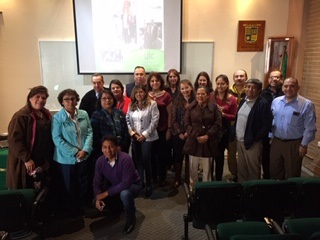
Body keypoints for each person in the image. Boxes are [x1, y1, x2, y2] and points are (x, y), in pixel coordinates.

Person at [52, 89, 93, 218]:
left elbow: (90, 132)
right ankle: (72, 211)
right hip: (66, 159)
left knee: (83, 184)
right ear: (62, 102)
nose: (70, 101)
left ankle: (82, 207)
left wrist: (85, 149)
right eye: (67, 99)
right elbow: (57, 138)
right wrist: (75, 152)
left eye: (73, 98)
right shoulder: (57, 118)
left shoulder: (83, 113)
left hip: (84, 155)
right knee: (70, 186)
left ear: (76, 100)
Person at [6, 86, 54, 190]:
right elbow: (14, 140)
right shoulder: (21, 116)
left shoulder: (45, 115)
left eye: (43, 98)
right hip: (27, 162)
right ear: (30, 98)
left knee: (41, 190)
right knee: (28, 190)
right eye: (37, 97)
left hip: (41, 161)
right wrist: (27, 159)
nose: (41, 100)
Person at [270, 77, 317, 180]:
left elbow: (310, 127)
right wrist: (270, 136)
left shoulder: (306, 104)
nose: (288, 88)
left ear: (298, 87)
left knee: (292, 173)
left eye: (292, 86)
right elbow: (272, 120)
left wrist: (303, 145)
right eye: (286, 86)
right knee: (274, 171)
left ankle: (291, 195)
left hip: (294, 144)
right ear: (282, 88)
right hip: (276, 142)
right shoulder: (276, 101)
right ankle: (276, 194)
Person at [93, 135, 141, 235]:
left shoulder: (125, 158)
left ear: (116, 147)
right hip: (117, 186)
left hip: (133, 186)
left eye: (110, 146)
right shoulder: (100, 161)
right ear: (102, 149)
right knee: (96, 199)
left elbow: (126, 184)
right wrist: (98, 197)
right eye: (105, 147)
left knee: (125, 194)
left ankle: (131, 221)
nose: (108, 150)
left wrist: (106, 193)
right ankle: (119, 207)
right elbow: (96, 182)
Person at [183, 86, 222, 190]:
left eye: (203, 94)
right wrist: (197, 136)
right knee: (193, 169)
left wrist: (207, 135)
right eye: (198, 94)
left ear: (208, 96)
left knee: (207, 170)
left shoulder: (214, 108)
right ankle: (193, 190)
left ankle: (206, 190)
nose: (200, 96)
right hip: (193, 142)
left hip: (208, 142)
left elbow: (218, 124)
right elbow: (186, 124)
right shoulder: (190, 107)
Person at [235, 79, 272, 182]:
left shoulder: (262, 103)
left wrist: (256, 138)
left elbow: (267, 125)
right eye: (248, 86)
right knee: (241, 167)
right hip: (240, 140)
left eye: (254, 87)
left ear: (259, 90)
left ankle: (253, 191)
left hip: (253, 142)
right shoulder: (244, 100)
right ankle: (242, 189)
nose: (250, 89)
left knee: (253, 168)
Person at [126, 85, 159, 197]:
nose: (139, 94)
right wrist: (133, 133)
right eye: (136, 93)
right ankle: (140, 183)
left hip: (148, 137)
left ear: (145, 93)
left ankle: (149, 184)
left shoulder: (152, 104)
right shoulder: (131, 105)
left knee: (146, 160)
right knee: (138, 161)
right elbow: (127, 120)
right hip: (135, 137)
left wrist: (144, 135)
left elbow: (154, 122)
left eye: (141, 92)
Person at [209, 74, 237, 181]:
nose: (220, 86)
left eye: (223, 84)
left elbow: (234, 116)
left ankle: (218, 179)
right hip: (211, 130)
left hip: (224, 131)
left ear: (227, 85)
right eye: (218, 84)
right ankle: (209, 178)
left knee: (220, 156)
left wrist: (223, 113)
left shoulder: (232, 99)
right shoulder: (211, 96)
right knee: (210, 156)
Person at [148, 72, 173, 186]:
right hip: (149, 131)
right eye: (152, 81)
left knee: (162, 155)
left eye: (157, 80)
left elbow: (170, 114)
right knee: (151, 155)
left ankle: (162, 178)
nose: (154, 83)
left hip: (162, 129)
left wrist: (169, 129)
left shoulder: (166, 95)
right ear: (149, 83)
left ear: (160, 82)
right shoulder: (146, 95)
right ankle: (153, 177)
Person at [91, 89, 130, 155]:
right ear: (100, 101)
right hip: (105, 151)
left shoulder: (120, 113)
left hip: (121, 149)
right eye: (104, 98)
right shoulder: (96, 115)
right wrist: (109, 148)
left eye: (109, 98)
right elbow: (96, 136)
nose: (107, 100)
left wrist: (121, 146)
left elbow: (125, 132)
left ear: (113, 99)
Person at [260, 70, 284, 179]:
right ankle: (266, 176)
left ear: (281, 79)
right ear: (269, 79)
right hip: (266, 129)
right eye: (272, 77)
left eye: (277, 77)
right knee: (266, 154)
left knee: (279, 156)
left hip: (280, 130)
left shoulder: (285, 93)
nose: (274, 79)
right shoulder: (262, 93)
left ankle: (279, 178)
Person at [171, 79, 195, 188]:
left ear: (191, 88)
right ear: (180, 90)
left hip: (191, 134)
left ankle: (188, 178)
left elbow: (196, 120)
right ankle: (177, 178)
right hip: (178, 135)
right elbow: (173, 120)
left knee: (190, 157)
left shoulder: (196, 101)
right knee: (178, 157)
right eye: (182, 88)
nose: (185, 90)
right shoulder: (176, 102)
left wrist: (188, 132)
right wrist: (180, 133)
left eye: (186, 87)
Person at [227, 69, 248, 182]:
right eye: (237, 76)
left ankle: (244, 175)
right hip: (231, 127)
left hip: (246, 127)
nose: (239, 78)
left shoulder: (250, 91)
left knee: (245, 153)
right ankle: (234, 174)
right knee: (231, 153)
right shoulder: (228, 92)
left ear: (246, 78)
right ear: (233, 78)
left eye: (241, 76)